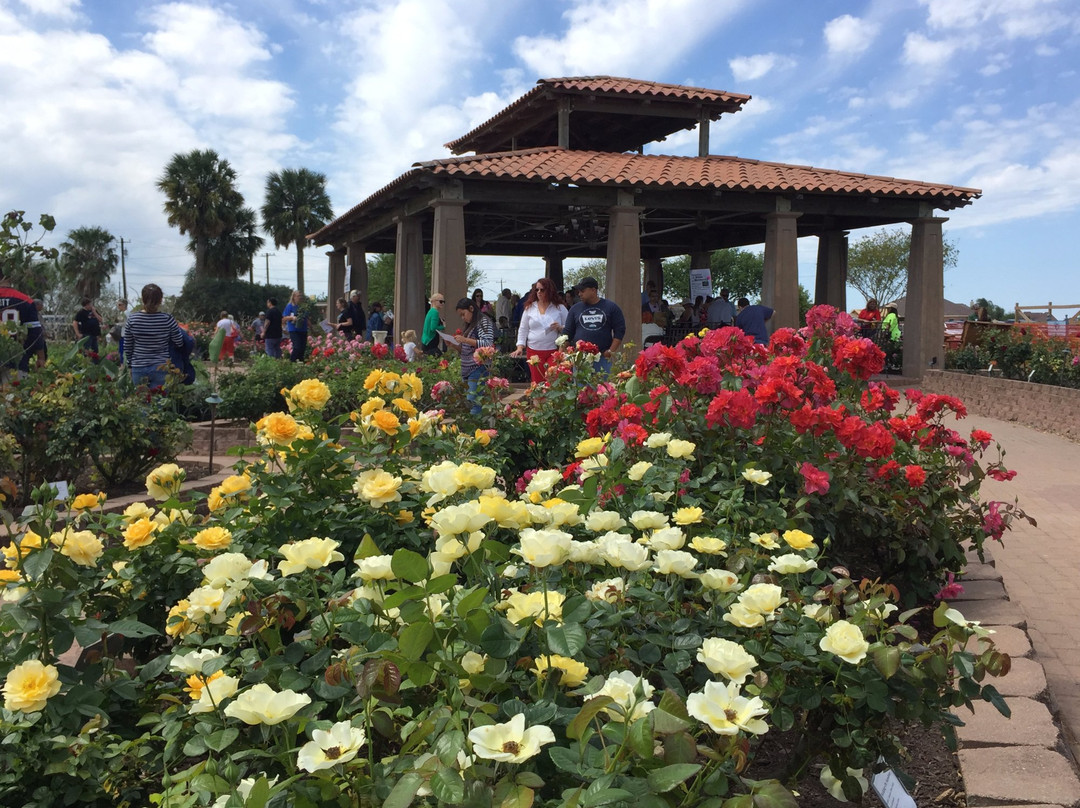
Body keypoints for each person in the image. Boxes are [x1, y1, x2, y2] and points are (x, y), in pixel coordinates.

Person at [123, 283, 185, 388]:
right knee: (160, 402)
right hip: (161, 367)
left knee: (140, 401)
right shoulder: (167, 319)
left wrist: (130, 365)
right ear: (160, 300)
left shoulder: (132, 320)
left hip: (139, 366)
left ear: (142, 299)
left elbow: (128, 347)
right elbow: (179, 342)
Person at [562, 275, 625, 374]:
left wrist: (610, 351)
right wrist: (562, 352)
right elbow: (567, 332)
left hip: (602, 359)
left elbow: (620, 330)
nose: (579, 294)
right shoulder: (575, 309)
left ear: (593, 290)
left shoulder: (611, 307)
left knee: (603, 389)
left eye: (582, 291)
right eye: (579, 291)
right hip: (580, 360)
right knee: (580, 389)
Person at [510, 277, 569, 383]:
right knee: (538, 383)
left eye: (542, 290)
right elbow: (523, 329)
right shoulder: (529, 308)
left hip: (554, 351)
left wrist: (560, 327)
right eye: (537, 290)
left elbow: (569, 328)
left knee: (553, 381)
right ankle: (538, 400)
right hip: (534, 351)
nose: (539, 292)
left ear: (549, 290)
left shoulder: (560, 308)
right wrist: (519, 347)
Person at [443, 297, 495, 415]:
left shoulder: (483, 321)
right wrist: (454, 345)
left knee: (473, 402)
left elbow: (488, 344)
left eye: (463, 314)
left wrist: (465, 339)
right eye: (460, 316)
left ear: (471, 308)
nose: (463, 318)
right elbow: (465, 351)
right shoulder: (471, 325)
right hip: (468, 369)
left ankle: (476, 430)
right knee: (469, 402)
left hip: (478, 368)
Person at [283, 290, 308, 361]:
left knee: (302, 348)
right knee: (297, 347)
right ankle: (292, 362)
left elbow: (306, 318)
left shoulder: (304, 307)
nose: (300, 297)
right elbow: (284, 318)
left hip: (303, 329)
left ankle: (300, 364)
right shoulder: (290, 306)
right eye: (298, 296)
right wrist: (292, 318)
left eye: (301, 296)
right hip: (294, 330)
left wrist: (312, 329)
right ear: (294, 297)